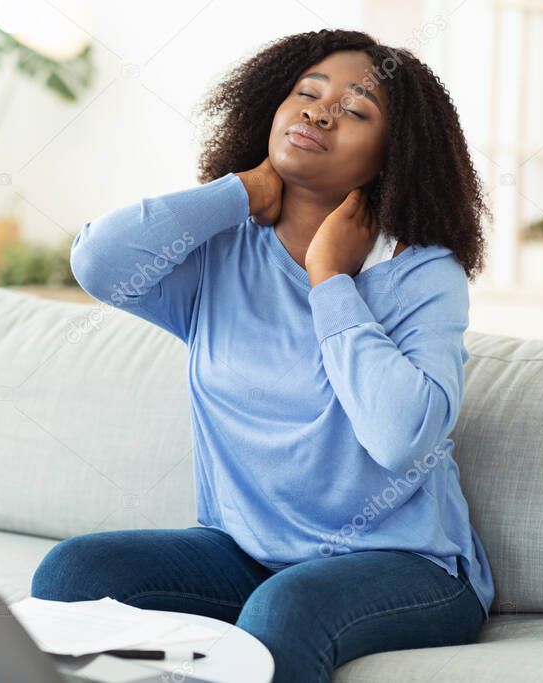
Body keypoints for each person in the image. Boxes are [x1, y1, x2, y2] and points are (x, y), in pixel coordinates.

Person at [30, 28, 494, 682]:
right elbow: (99, 262)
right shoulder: (223, 254)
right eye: (306, 93)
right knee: (75, 572)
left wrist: (329, 278)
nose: (319, 111)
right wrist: (241, 191)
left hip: (409, 564)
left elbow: (400, 438)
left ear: (392, 158)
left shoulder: (421, 274)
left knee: (284, 611)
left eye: (356, 111)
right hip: (248, 555)